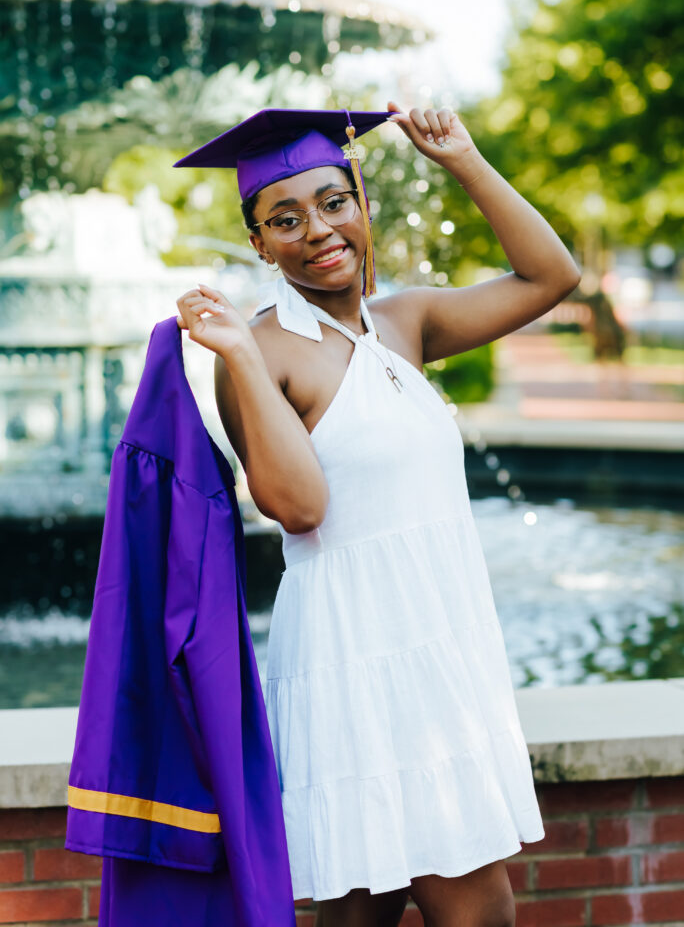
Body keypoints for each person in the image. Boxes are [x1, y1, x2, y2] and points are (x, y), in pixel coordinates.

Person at [175, 103, 581, 927]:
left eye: (334, 202)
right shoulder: (264, 351)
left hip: (435, 639)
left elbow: (552, 278)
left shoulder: (405, 322)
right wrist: (245, 361)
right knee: (479, 909)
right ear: (257, 243)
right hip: (356, 651)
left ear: (363, 206)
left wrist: (464, 159)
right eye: (283, 218)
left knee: (365, 910)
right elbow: (298, 508)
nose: (318, 229)